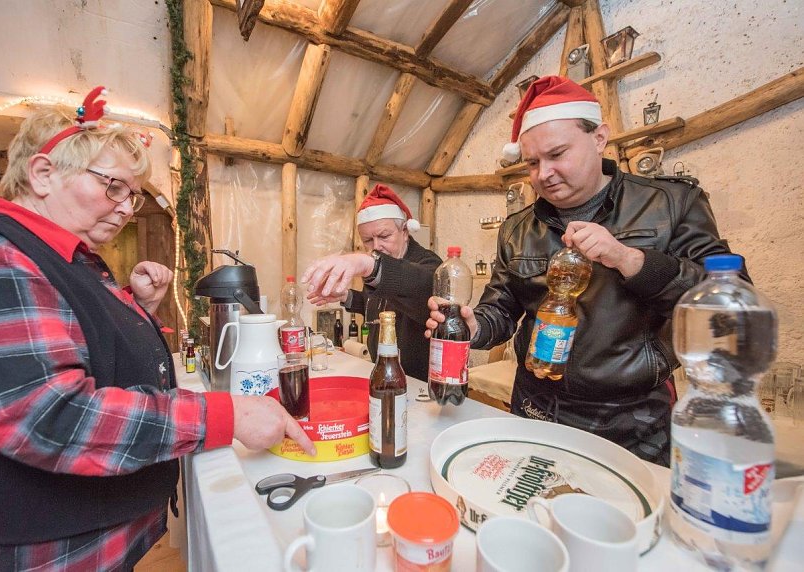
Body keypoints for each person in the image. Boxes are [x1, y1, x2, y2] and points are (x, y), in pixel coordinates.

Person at [0, 87, 314, 570]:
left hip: (93, 538)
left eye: (133, 195)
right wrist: (225, 416)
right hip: (40, 551)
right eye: (113, 186)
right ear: (42, 174)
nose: (125, 207)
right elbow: (48, 415)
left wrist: (139, 307)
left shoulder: (62, 258)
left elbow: (90, 353)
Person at [427, 76, 741, 465]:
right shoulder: (518, 228)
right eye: (532, 162)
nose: (544, 174)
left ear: (599, 138)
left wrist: (631, 260)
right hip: (537, 405)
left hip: (632, 417)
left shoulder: (671, 203)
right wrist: (474, 328)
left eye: (557, 154)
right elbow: (502, 311)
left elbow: (730, 304)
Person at [302, 184, 441, 380]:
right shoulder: (381, 265)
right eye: (368, 240)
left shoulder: (428, 263)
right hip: (383, 372)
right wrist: (347, 297)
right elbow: (377, 305)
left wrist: (369, 265)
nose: (376, 247)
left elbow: (423, 287)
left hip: (418, 381)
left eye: (384, 236)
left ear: (405, 231)